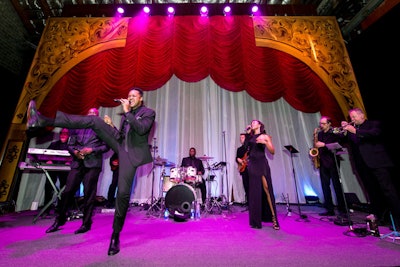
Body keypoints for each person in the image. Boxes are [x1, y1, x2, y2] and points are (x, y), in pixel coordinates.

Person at [26, 87, 155, 256]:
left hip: (132, 155)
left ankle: (115, 236)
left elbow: (141, 130)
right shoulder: (126, 116)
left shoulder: (148, 112)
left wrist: (127, 113)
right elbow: (121, 137)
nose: (129, 98)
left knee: (122, 195)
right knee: (94, 121)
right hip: (120, 146)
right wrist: (111, 127)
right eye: (128, 95)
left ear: (141, 99)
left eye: (133, 96)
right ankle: (42, 121)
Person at [44, 108, 109, 235]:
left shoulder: (102, 128)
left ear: (97, 117)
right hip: (77, 163)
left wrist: (92, 150)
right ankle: (59, 220)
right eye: (89, 114)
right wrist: (75, 152)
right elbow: (70, 144)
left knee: (89, 194)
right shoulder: (76, 127)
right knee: (67, 192)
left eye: (94, 115)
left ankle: (86, 223)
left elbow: (106, 146)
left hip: (93, 164)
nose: (91, 116)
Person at [340, 107, 400, 228]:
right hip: (363, 166)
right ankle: (380, 217)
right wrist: (345, 131)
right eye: (351, 117)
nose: (352, 119)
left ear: (362, 116)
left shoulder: (373, 124)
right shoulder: (353, 129)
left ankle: (398, 220)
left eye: (354, 117)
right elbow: (344, 142)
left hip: (378, 163)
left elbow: (374, 134)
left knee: (388, 191)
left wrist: (355, 131)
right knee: (372, 193)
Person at [244, 119, 279, 230]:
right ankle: (255, 221)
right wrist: (248, 133)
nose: (252, 124)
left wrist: (266, 142)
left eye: (254, 122)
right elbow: (246, 147)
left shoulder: (264, 136)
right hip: (252, 165)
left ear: (259, 125)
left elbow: (272, 151)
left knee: (267, 189)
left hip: (261, 163)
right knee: (254, 192)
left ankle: (274, 218)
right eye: (252, 122)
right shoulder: (250, 137)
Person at [314, 116, 346, 217]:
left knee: (337, 186)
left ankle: (343, 209)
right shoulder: (320, 134)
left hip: (333, 161)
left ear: (329, 124)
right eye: (320, 124)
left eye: (323, 124)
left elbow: (340, 143)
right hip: (323, 161)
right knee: (325, 186)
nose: (321, 125)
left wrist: (324, 144)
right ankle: (329, 209)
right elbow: (317, 146)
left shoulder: (334, 131)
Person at [42, 128, 71, 216]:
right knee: (48, 185)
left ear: (68, 135)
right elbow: (45, 155)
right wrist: (49, 160)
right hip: (53, 168)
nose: (63, 135)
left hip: (65, 169)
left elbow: (74, 157)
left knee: (65, 187)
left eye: (65, 134)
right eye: (61, 133)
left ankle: (61, 207)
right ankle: (46, 208)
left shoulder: (71, 145)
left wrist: (69, 161)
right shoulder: (54, 144)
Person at [236, 133, 249, 207]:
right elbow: (237, 158)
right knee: (246, 186)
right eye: (240, 138)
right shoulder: (239, 149)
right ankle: (248, 202)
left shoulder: (250, 148)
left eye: (242, 137)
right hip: (243, 169)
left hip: (251, 169)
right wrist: (239, 160)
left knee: (252, 186)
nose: (241, 139)